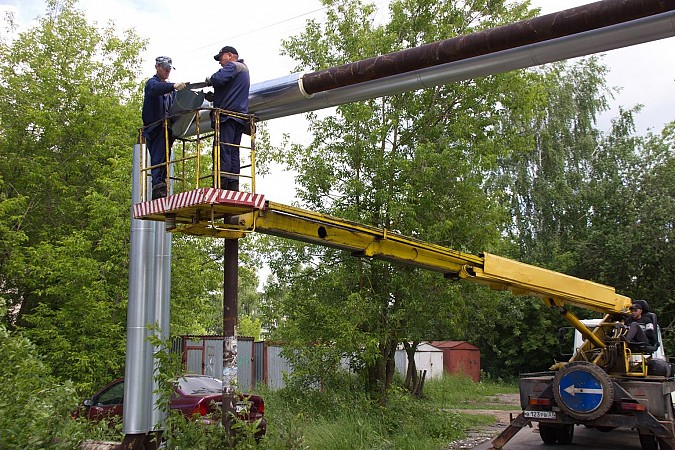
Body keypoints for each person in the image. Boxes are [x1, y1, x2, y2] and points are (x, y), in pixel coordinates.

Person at [206, 45, 250, 191]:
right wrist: (216, 96)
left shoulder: (233, 66)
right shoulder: (243, 70)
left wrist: (210, 80)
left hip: (227, 116)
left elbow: (218, 79)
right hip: (239, 117)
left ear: (230, 55)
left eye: (221, 58)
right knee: (233, 151)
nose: (220, 62)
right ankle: (233, 184)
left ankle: (221, 182)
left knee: (222, 149)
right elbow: (231, 90)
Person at [142, 56, 186, 200]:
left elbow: (175, 106)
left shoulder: (169, 90)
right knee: (158, 159)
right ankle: (158, 188)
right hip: (155, 128)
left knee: (164, 159)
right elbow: (155, 89)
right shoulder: (152, 84)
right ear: (157, 67)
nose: (168, 71)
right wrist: (173, 86)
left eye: (169, 69)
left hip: (167, 128)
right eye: (165, 68)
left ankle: (162, 187)